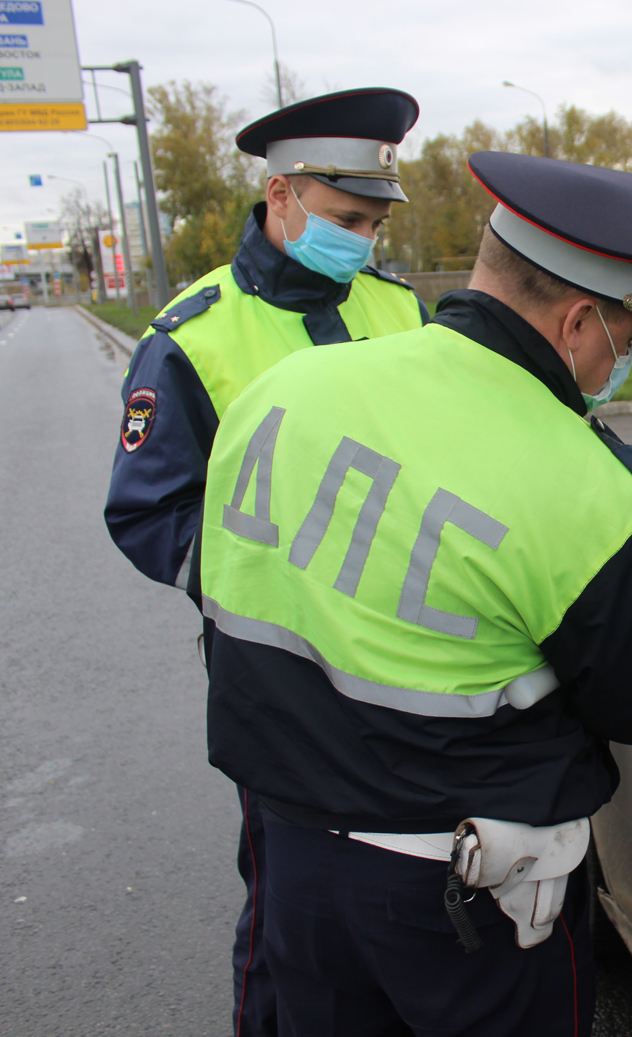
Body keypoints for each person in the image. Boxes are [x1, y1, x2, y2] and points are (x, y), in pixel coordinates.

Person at [198, 151, 632, 1035]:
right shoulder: (586, 487)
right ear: (580, 322)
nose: (626, 356)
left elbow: (230, 590)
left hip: (287, 861)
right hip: (466, 902)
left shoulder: (279, 394)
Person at [101, 87, 427, 1036]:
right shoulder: (193, 336)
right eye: (346, 220)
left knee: (405, 884)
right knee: (294, 909)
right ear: (281, 196)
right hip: (283, 676)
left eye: (373, 223)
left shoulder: (400, 309)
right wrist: (291, 583)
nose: (363, 241)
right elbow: (150, 511)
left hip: (412, 650)